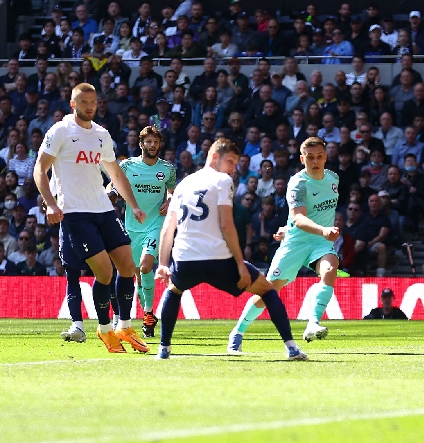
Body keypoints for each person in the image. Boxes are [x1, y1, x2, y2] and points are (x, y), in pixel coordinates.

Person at [154, 138, 306, 360]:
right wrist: (239, 265)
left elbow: (168, 227)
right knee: (267, 290)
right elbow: (226, 224)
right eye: (231, 161)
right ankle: (292, 347)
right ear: (215, 157)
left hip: (184, 258)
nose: (234, 168)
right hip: (217, 259)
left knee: (174, 290)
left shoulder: (184, 183)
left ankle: (164, 349)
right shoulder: (222, 181)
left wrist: (163, 265)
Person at [35, 83, 149, 354]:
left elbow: (115, 174)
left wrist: (133, 205)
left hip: (103, 210)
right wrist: (51, 204)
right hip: (75, 213)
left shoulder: (101, 134)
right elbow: (40, 169)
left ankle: (124, 325)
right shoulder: (60, 131)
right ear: (73, 104)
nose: (90, 106)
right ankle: (105, 329)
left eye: (93, 102)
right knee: (104, 272)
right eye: (84, 102)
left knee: (127, 266)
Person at [228, 137, 341, 349]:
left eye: (319, 157)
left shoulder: (333, 178)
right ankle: (238, 331)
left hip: (320, 243)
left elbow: (317, 212)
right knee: (267, 292)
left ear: (325, 157)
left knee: (330, 269)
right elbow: (298, 218)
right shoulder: (298, 184)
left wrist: (318, 232)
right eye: (310, 157)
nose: (315, 161)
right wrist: (320, 229)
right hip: (296, 243)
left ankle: (313, 323)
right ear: (302, 158)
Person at [113, 126, 176, 338]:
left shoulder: (167, 169)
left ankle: (148, 314)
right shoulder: (128, 165)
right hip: (131, 227)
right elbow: (115, 187)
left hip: (156, 223)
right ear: (141, 144)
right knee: (136, 274)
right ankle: (146, 314)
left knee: (146, 266)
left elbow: (173, 193)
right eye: (148, 142)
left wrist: (169, 200)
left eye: (156, 142)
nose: (153, 145)